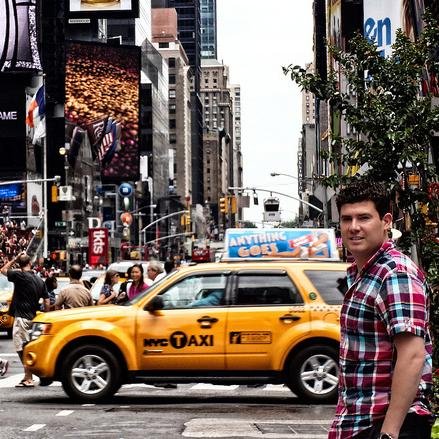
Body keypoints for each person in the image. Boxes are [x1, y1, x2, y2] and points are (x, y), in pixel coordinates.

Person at [329, 181, 433, 439]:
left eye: (364, 217)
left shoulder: (395, 274)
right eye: (346, 219)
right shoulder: (364, 274)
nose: (354, 227)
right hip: (360, 422)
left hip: (385, 424)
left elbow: (412, 355)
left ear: (386, 221)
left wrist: (389, 433)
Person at [1, 252, 49, 387]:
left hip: (21, 318)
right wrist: (46, 314)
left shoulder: (19, 276)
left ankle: (29, 376)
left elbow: (3, 270)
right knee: (28, 346)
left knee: (21, 347)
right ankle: (28, 375)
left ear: (20, 265)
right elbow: (46, 300)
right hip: (34, 318)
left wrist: (14, 259)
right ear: (30, 263)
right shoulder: (40, 280)